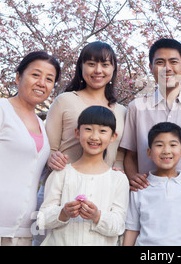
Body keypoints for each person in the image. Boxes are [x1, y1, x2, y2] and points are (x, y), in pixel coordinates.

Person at [0, 51, 61, 246]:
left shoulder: (41, 124)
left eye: (49, 79)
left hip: (22, 234)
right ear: (18, 77)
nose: (42, 83)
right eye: (35, 75)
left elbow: (29, 172)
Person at [121, 38, 181, 192]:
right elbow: (129, 155)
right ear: (151, 67)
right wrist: (133, 178)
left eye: (173, 62)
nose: (167, 68)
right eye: (160, 62)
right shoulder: (136, 108)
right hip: (147, 196)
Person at [38, 106, 129, 246]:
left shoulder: (118, 179)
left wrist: (97, 216)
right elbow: (42, 218)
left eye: (103, 131)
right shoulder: (61, 173)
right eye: (88, 129)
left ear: (113, 137)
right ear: (77, 132)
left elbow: (119, 225)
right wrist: (63, 213)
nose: (94, 136)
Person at [123, 122, 181, 246]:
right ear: (149, 152)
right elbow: (132, 229)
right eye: (159, 145)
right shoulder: (140, 188)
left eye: (173, 145)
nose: (166, 151)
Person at [45, 41, 127, 171]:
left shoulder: (122, 111)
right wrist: (53, 158)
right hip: (66, 184)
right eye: (91, 64)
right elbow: (49, 148)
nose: (98, 70)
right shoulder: (64, 101)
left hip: (106, 187)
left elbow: (119, 156)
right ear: (81, 67)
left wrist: (118, 170)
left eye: (105, 64)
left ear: (113, 69)